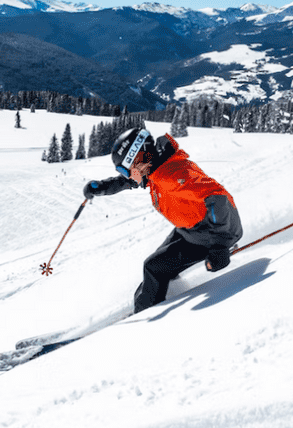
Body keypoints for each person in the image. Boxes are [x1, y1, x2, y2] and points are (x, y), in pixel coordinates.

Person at [84, 127, 243, 314]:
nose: (127, 176)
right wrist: (102, 187)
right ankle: (150, 302)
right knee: (155, 267)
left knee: (153, 267)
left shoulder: (171, 175)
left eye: (126, 170)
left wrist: (219, 246)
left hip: (212, 233)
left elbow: (217, 197)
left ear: (139, 161)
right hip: (192, 229)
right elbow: (128, 181)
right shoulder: (156, 167)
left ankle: (146, 315)